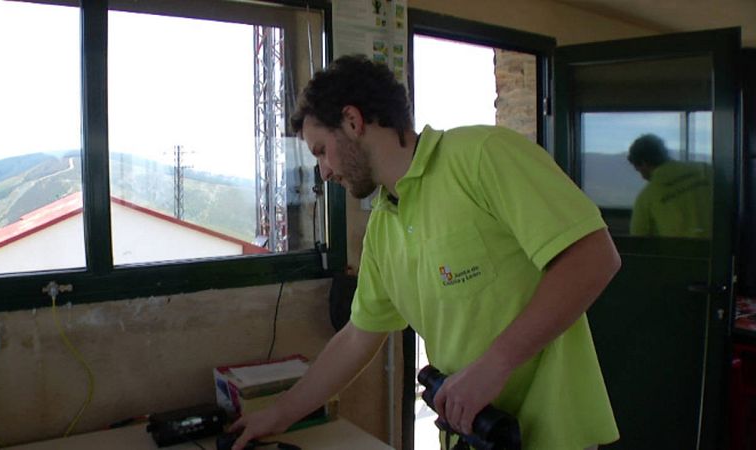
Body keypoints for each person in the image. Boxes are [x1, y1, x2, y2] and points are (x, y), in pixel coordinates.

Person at [229, 54, 621, 450]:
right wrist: (279, 414)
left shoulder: (482, 156)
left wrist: (494, 365)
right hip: (472, 435)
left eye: (321, 150)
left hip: (554, 435)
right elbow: (357, 338)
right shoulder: (383, 226)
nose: (324, 171)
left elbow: (593, 257)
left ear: (352, 121)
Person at [627, 134, 712, 238]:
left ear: (644, 163)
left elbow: (638, 238)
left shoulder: (647, 197)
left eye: (639, 170)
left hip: (679, 252)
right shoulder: (706, 171)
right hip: (722, 248)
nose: (643, 177)